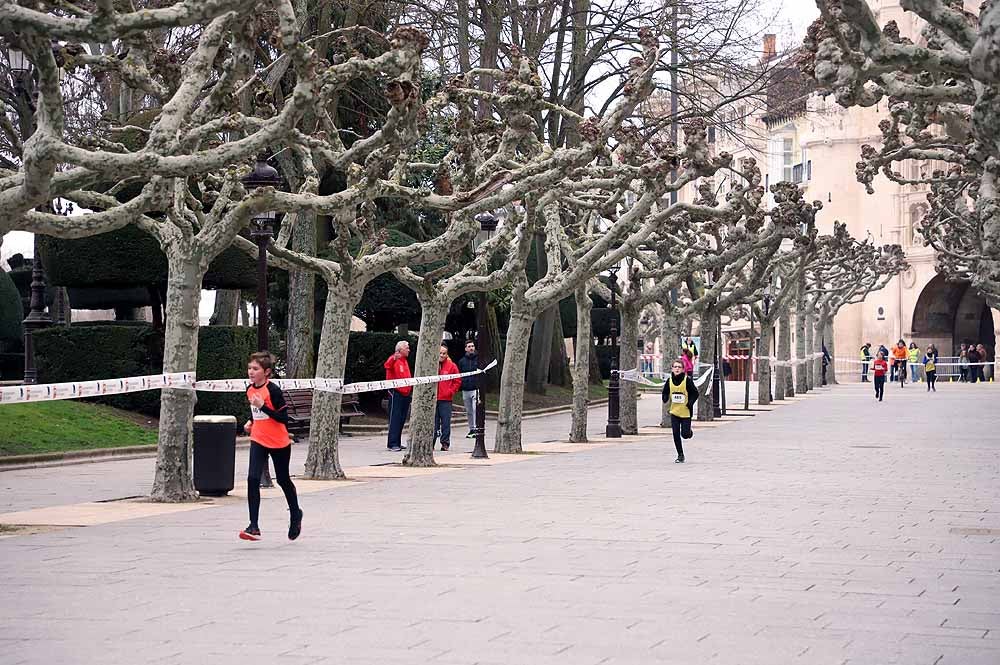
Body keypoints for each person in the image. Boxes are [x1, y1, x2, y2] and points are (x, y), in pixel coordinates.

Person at [240, 352, 302, 542]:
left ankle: (295, 514)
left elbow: (283, 418)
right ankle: (253, 526)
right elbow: (256, 412)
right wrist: (250, 421)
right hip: (258, 439)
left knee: (283, 480)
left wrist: (263, 406)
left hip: (278, 442)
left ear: (266, 372)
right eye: (250, 368)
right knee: (252, 478)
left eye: (255, 369)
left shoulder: (273, 391)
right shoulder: (250, 389)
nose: (251, 372)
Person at [662, 359, 700, 464]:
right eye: (675, 367)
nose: (677, 369)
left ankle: (689, 433)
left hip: (686, 412)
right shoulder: (669, 381)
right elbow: (665, 392)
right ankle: (680, 455)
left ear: (683, 369)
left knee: (685, 434)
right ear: (672, 369)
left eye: (679, 367)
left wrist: (690, 403)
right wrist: (665, 398)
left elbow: (695, 393)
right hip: (674, 412)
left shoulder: (687, 380)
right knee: (675, 433)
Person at [384, 340, 413, 451]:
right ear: (400, 349)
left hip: (406, 393)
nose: (409, 350)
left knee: (401, 418)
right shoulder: (394, 359)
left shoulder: (404, 361)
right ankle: (392, 443)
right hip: (396, 392)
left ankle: (397, 441)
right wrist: (393, 358)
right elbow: (387, 365)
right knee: (395, 418)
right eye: (407, 348)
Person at [433, 345, 462, 451]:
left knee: (445, 422)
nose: (441, 355)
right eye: (440, 353)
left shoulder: (451, 366)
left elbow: (457, 381)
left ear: (447, 354)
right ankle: (431, 442)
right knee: (433, 423)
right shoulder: (432, 364)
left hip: (446, 399)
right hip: (434, 399)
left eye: (444, 353)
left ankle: (445, 443)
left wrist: (451, 391)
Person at [457, 340, 479, 438]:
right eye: (469, 346)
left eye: (472, 346)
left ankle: (476, 428)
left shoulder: (478, 359)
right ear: (466, 348)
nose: (471, 348)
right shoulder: (462, 361)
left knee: (475, 409)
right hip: (466, 389)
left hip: (475, 388)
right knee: (469, 411)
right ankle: (471, 429)